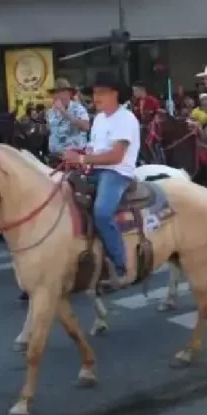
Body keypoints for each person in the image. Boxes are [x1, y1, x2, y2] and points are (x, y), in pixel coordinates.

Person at [62, 72, 141, 288]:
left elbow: (116, 156)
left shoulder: (125, 119)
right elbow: (94, 148)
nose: (95, 97)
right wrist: (80, 152)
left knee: (102, 212)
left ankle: (121, 265)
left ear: (115, 94)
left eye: (101, 93)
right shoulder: (99, 119)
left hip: (117, 172)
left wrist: (80, 158)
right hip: (96, 170)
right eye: (94, 93)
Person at [46, 78, 90, 158]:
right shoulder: (50, 112)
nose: (59, 96)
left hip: (75, 156)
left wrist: (63, 112)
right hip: (55, 157)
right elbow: (50, 131)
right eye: (56, 93)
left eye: (63, 93)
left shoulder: (78, 108)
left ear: (69, 94)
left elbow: (86, 126)